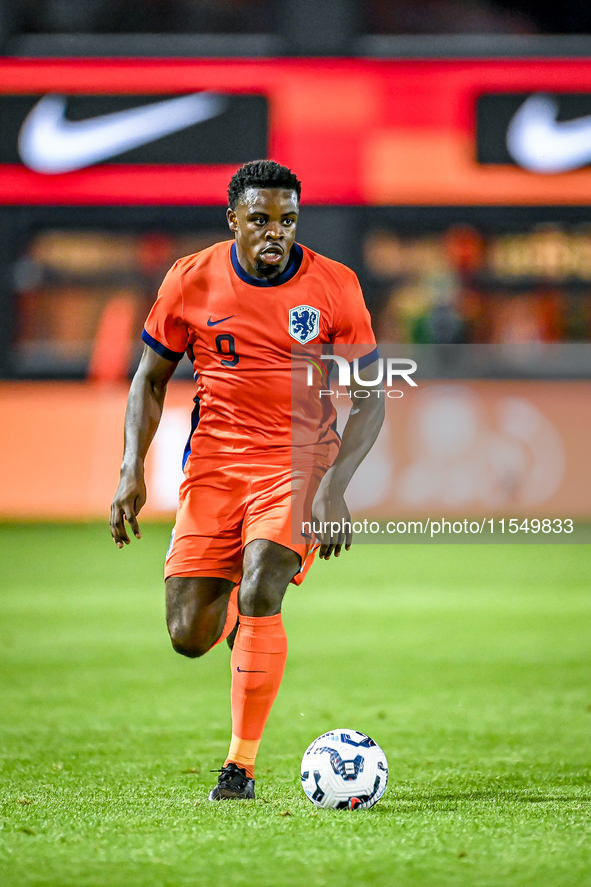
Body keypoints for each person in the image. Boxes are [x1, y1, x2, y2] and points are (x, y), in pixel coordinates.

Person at [109, 160, 384, 800]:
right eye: (259, 219)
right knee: (188, 637)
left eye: (287, 220)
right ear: (232, 218)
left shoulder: (334, 286)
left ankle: (240, 766)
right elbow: (150, 378)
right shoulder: (190, 278)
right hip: (214, 466)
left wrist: (336, 484)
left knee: (263, 582)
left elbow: (372, 396)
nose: (274, 233)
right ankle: (240, 623)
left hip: (300, 459)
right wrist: (131, 468)